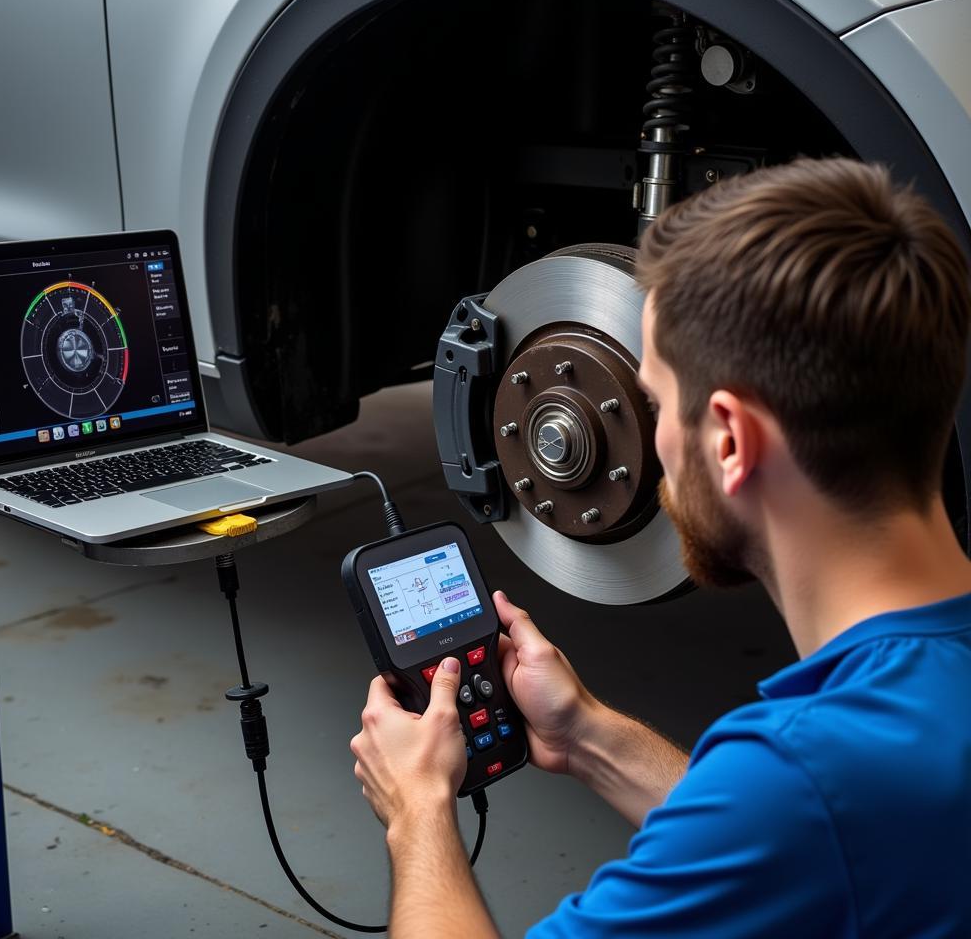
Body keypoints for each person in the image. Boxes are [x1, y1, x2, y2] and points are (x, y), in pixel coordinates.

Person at [349, 157, 971, 937]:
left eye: (655, 403)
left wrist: (419, 809)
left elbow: (794, 812)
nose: (658, 444)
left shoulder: (804, 775)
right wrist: (587, 735)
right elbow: (819, 835)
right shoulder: (855, 763)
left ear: (733, 441)